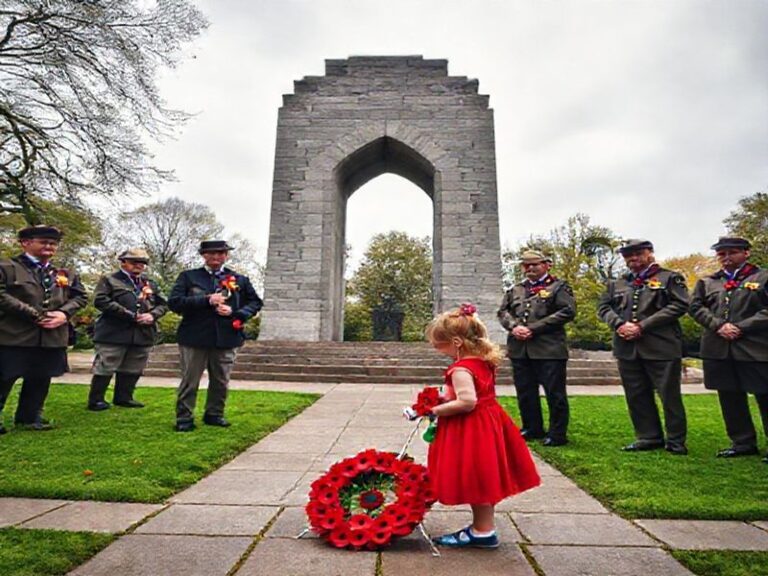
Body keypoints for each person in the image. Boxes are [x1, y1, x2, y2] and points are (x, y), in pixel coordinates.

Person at [408, 303, 540, 548]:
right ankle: (483, 527)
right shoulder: (483, 362)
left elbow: (467, 401)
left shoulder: (460, 369)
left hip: (471, 427)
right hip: (489, 421)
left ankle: (482, 531)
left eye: (440, 344)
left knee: (475, 475)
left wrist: (430, 410)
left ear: (456, 342)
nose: (437, 349)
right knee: (484, 475)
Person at [597, 239, 690, 455]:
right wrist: (619, 324)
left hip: (661, 345)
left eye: (638, 253)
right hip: (627, 347)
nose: (632, 258)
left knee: (669, 395)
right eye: (628, 255)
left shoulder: (669, 278)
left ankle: (676, 440)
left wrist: (643, 326)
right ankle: (648, 436)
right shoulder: (617, 283)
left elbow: (680, 304)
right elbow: (603, 307)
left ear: (650, 253)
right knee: (636, 393)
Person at [168, 240, 262, 432]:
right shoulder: (189, 277)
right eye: (212, 253)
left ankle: (214, 414)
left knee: (221, 380)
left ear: (226, 256)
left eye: (221, 253)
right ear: (204, 255)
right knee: (190, 380)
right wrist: (206, 300)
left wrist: (236, 312)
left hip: (227, 337)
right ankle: (184, 417)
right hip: (195, 337)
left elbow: (255, 303)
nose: (217, 257)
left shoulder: (239, 279)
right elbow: (175, 303)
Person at [0, 225, 87, 433]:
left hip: (50, 336)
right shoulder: (7, 266)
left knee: (41, 377)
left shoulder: (63, 272)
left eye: (53, 243)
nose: (49, 246)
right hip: (13, 335)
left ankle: (29, 417)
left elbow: (80, 297)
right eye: (44, 242)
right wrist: (33, 315)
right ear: (25, 243)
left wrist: (63, 314)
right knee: (4, 377)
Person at [689, 237, 768, 461]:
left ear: (746, 253)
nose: (726, 258)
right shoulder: (708, 282)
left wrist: (741, 327)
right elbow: (695, 307)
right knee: (729, 396)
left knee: (765, 395)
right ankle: (742, 442)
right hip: (719, 348)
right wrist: (719, 325)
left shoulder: (762, 277)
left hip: (756, 348)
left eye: (732, 252)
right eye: (721, 254)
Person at [497, 250, 576, 446]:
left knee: (554, 393)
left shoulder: (558, 287)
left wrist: (533, 329)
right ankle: (532, 428)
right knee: (525, 391)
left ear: (547, 265)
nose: (530, 268)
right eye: (526, 265)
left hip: (548, 349)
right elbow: (503, 311)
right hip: (520, 349)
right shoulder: (516, 289)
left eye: (535, 264)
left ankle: (557, 434)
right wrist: (514, 327)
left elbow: (567, 311)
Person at [88, 248, 169, 411]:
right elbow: (101, 301)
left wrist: (152, 315)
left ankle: (124, 397)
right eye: (134, 262)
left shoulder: (150, 283)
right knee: (106, 364)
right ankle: (96, 399)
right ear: (123, 262)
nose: (139, 265)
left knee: (134, 365)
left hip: (143, 332)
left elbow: (164, 304)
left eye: (142, 263)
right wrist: (129, 315)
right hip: (114, 331)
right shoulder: (109, 279)